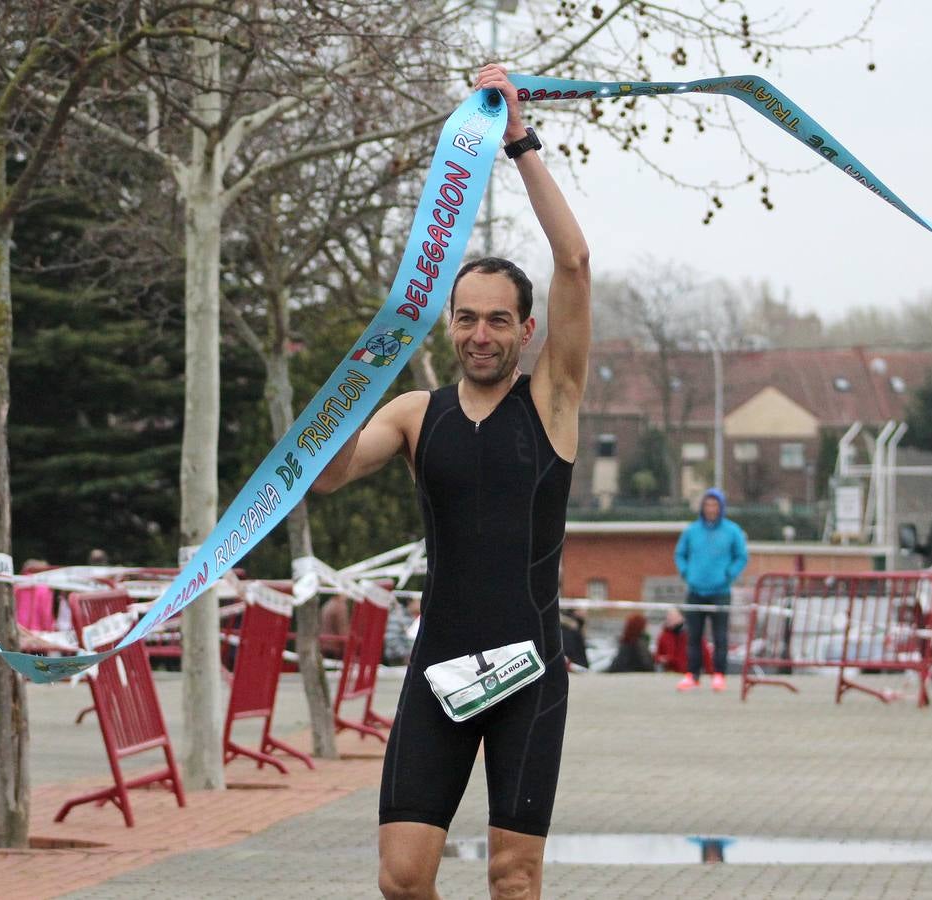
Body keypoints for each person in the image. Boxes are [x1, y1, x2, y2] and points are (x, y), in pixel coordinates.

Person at [312, 63, 590, 900]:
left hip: (529, 673)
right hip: (439, 669)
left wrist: (520, 142)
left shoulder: (553, 400)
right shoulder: (410, 414)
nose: (478, 333)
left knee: (513, 876)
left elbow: (573, 261)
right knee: (402, 880)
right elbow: (324, 480)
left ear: (524, 329)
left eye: (497, 319)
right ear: (450, 321)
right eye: (465, 317)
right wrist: (333, 406)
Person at [673, 487, 748, 692]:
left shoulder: (732, 531)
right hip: (696, 590)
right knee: (694, 635)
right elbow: (679, 554)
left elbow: (741, 556)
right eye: (707, 505)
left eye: (715, 505)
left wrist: (729, 574)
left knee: (720, 636)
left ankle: (719, 674)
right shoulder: (691, 531)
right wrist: (686, 572)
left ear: (721, 507)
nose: (711, 509)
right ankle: (692, 675)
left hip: (720, 592)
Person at [653, 606, 713, 675]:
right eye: (668, 616)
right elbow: (657, 656)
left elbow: (705, 655)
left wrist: (710, 673)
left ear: (682, 618)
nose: (669, 618)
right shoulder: (663, 636)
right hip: (670, 673)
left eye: (673, 616)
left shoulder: (692, 635)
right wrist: (662, 659)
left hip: (689, 674)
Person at [319, 593, 351, 660]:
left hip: (324, 644)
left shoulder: (328, 604)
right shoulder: (340, 606)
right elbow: (342, 629)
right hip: (336, 647)